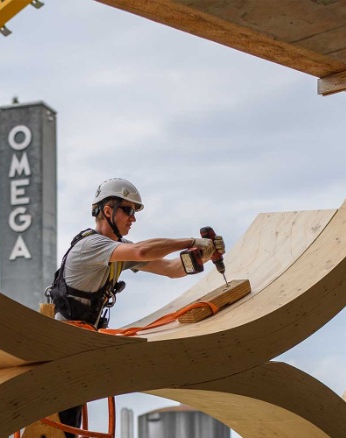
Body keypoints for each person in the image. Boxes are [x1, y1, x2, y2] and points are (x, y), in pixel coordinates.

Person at [46, 178, 225, 435]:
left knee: (68, 427)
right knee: (59, 425)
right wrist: (191, 242)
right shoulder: (91, 245)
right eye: (128, 210)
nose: (133, 218)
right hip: (63, 349)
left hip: (79, 348)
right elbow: (143, 252)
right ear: (108, 211)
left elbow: (170, 269)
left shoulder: (119, 251)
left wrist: (203, 257)